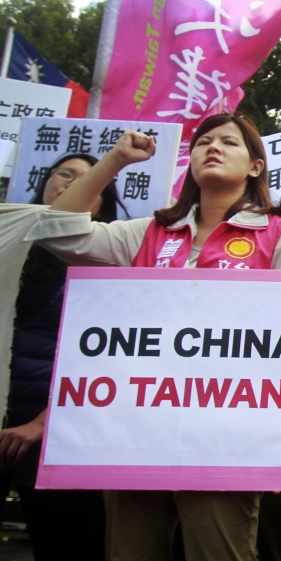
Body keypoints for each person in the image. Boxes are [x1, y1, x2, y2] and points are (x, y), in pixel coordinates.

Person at [25, 113, 281, 561]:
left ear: (256, 167)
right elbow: (54, 230)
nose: (212, 148)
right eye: (203, 141)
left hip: (227, 439)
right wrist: (115, 161)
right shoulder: (148, 232)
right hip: (134, 434)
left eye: (228, 142)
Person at [0, 153, 126, 561]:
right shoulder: (9, 246)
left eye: (88, 180)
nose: (70, 184)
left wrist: (42, 422)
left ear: (101, 200)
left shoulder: (109, 258)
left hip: (59, 430)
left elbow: (110, 356)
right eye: (64, 175)